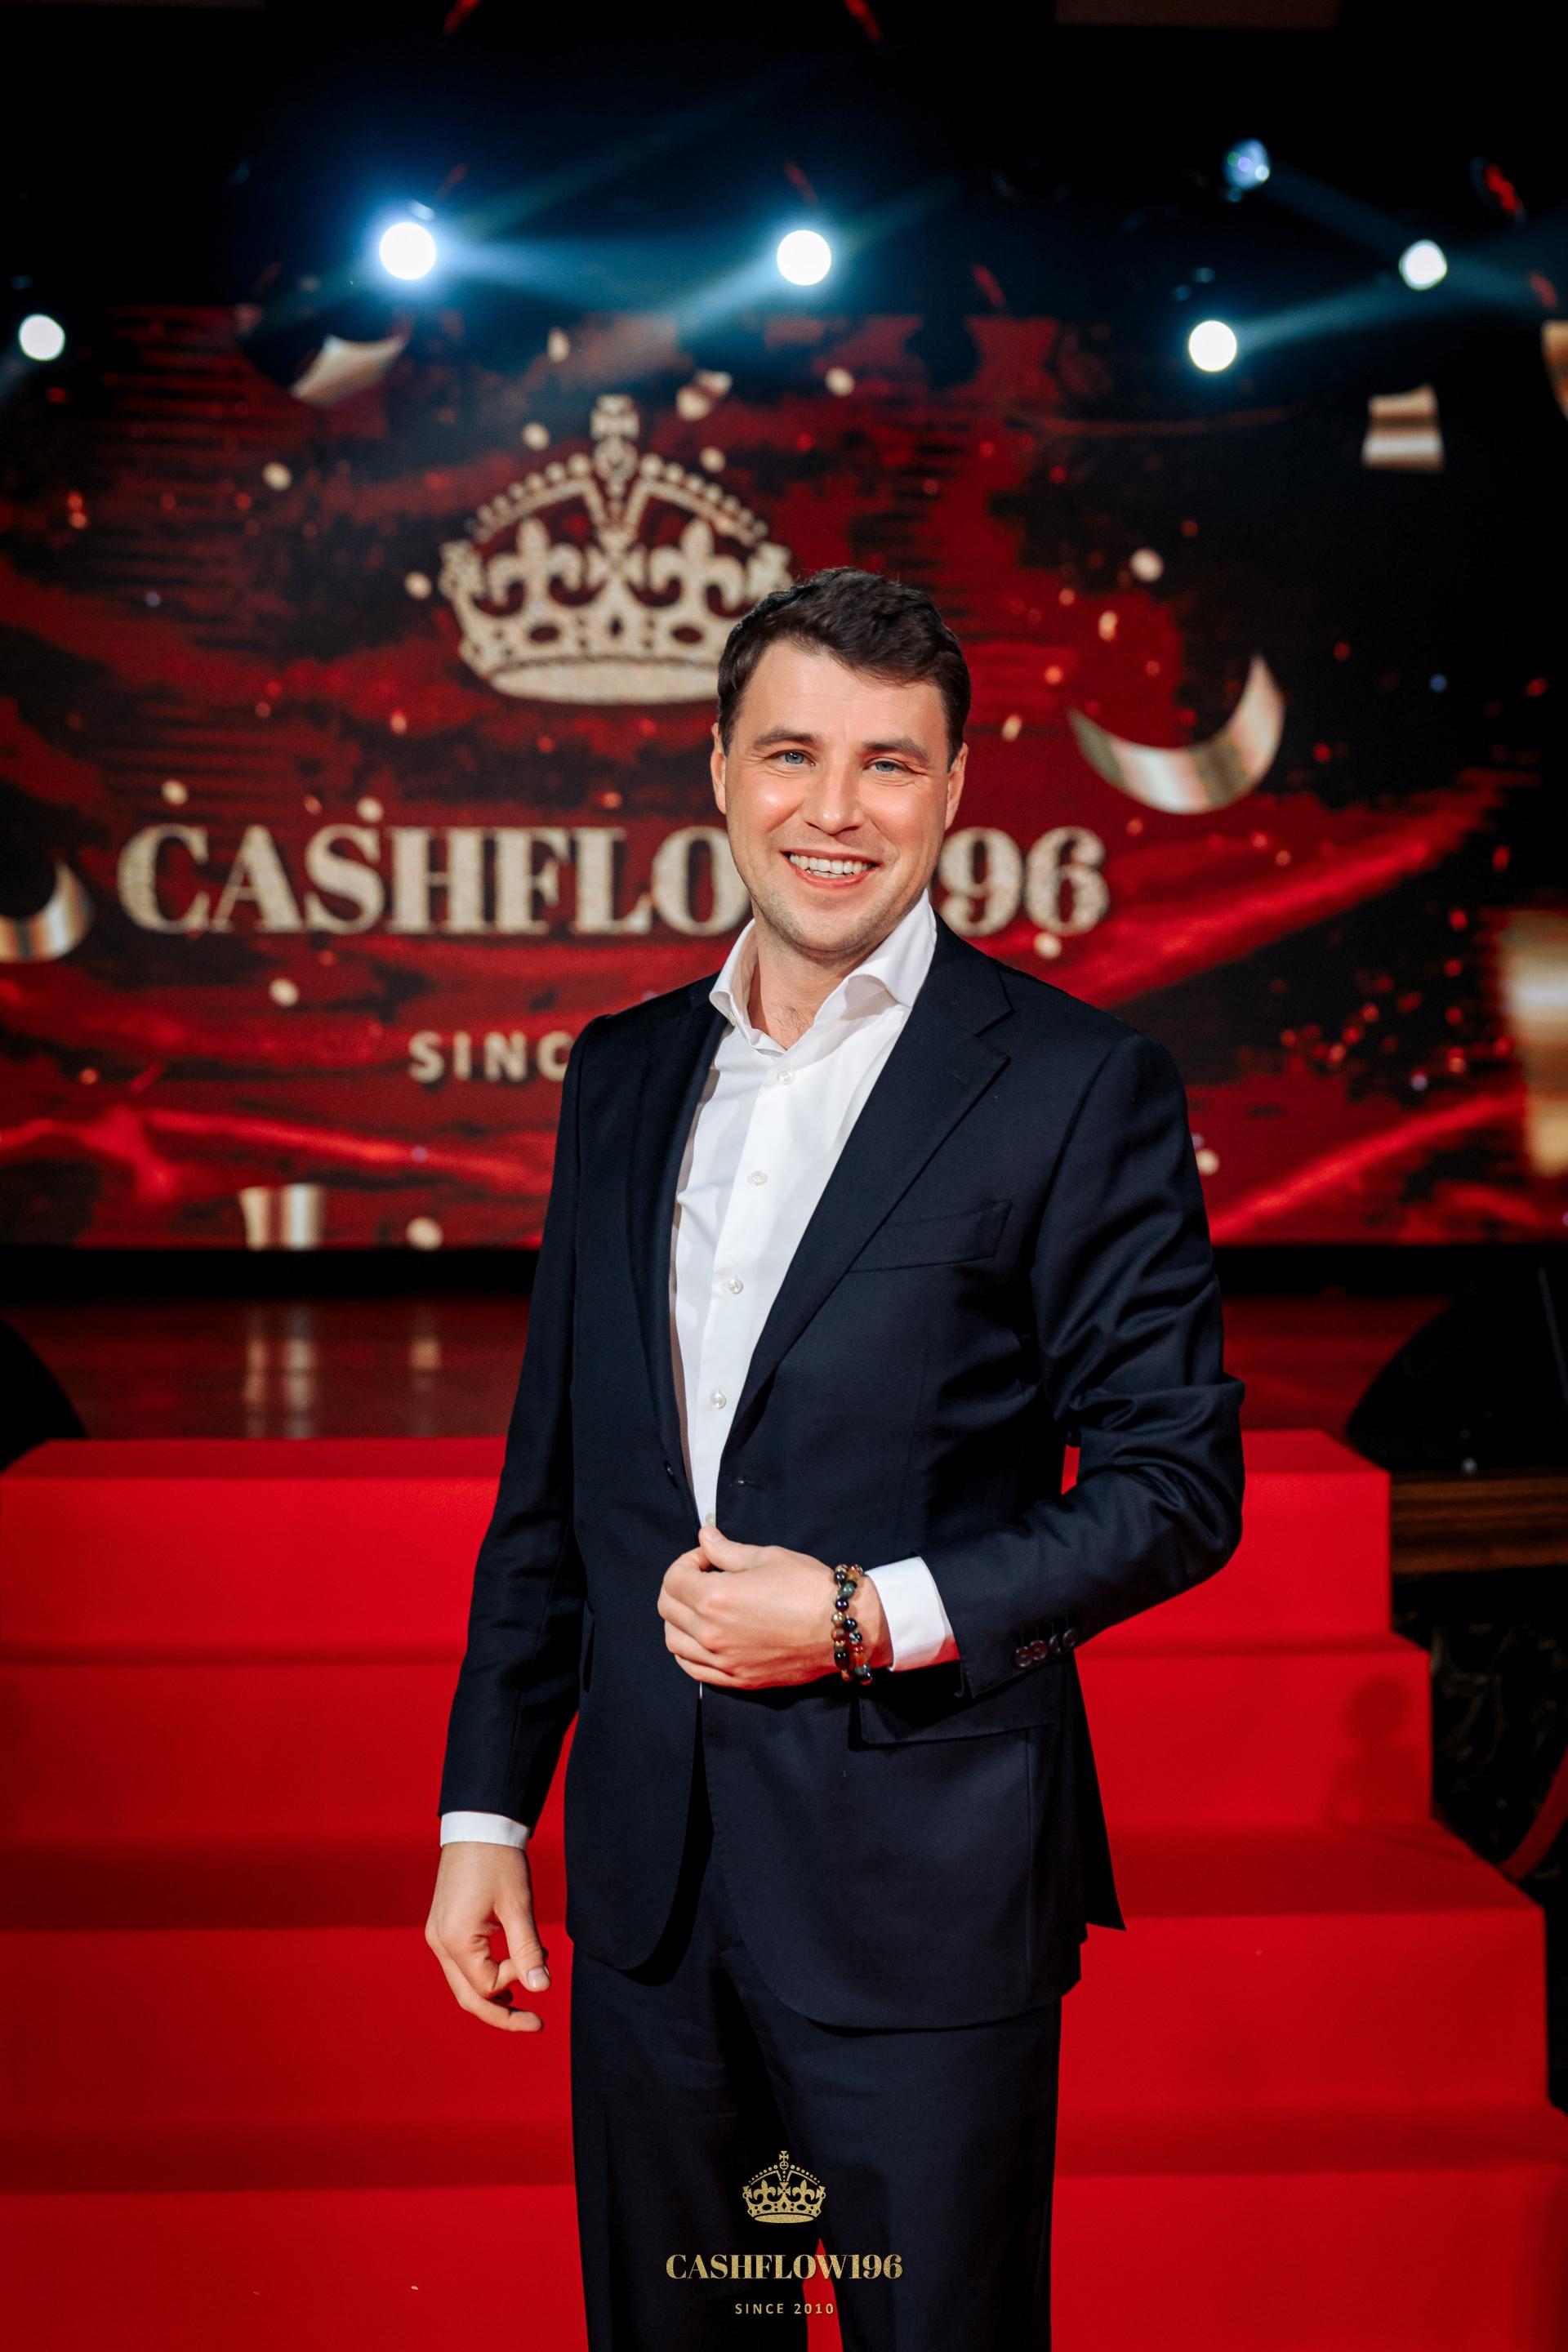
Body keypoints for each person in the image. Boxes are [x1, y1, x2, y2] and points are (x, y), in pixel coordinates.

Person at [426, 566, 1245, 2350]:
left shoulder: (1075, 1083)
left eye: (890, 762)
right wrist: (486, 1812)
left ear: (955, 791)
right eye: (794, 754)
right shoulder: (621, 1072)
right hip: (647, 1893)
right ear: (720, 770)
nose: (836, 810)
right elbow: (557, 1481)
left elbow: (1178, 1487)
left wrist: (865, 1615)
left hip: (923, 1889)